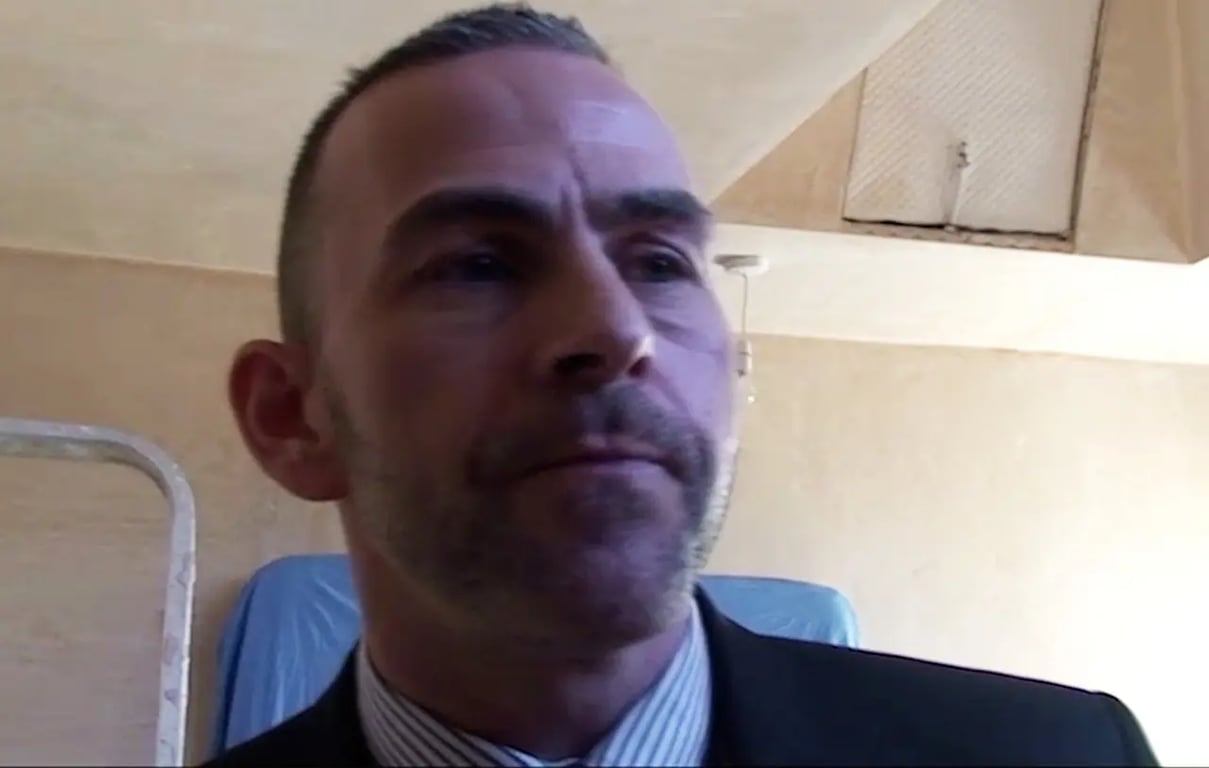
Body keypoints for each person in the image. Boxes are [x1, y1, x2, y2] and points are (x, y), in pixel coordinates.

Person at [211, 4, 1158, 766]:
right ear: (291, 417)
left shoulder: (1063, 754)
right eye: (477, 265)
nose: (616, 330)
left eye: (660, 263)